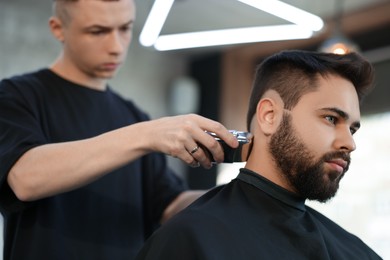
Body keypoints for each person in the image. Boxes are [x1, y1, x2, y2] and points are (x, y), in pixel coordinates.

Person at [0, 0, 239, 259]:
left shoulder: (133, 116)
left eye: (125, 29)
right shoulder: (16, 96)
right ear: (58, 28)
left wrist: (242, 193)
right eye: (97, 31)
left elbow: (170, 204)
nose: (116, 47)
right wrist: (146, 134)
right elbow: (26, 179)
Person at [135, 50, 383, 259]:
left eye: (352, 129)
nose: (350, 143)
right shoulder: (191, 237)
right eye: (331, 118)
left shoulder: (357, 253)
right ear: (269, 116)